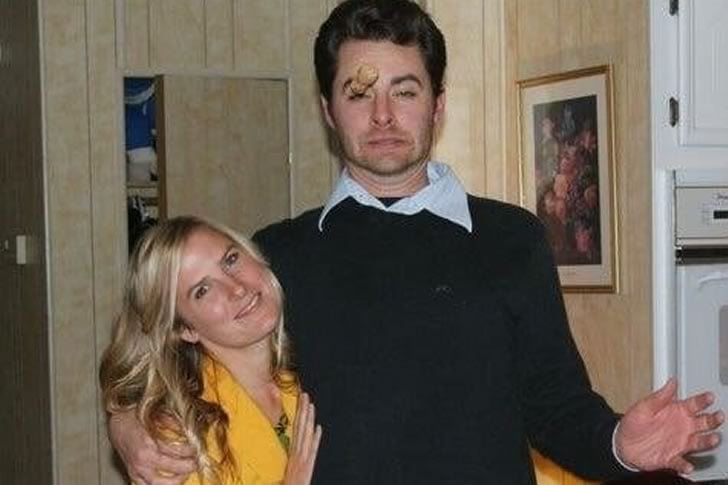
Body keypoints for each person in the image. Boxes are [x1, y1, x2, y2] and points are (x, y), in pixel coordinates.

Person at [108, 1, 724, 484]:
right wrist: (128, 423)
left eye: (404, 91)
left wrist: (619, 444)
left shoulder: (512, 238)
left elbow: (554, 403)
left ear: (437, 105)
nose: (382, 115)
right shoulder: (279, 257)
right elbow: (176, 356)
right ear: (328, 110)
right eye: (358, 93)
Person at [100, 215, 322, 484]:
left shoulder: (316, 357)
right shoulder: (177, 439)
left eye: (231, 259)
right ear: (185, 329)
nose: (236, 288)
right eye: (202, 290)